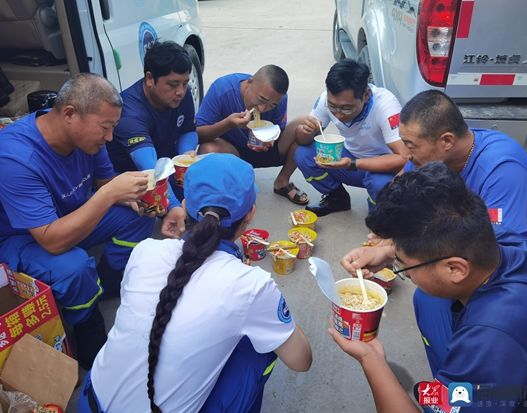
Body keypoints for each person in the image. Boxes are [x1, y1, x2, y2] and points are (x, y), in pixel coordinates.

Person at [79, 153, 312, 413]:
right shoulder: (252, 285)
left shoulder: (145, 250)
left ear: (186, 204)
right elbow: (301, 360)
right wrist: (273, 311)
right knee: (260, 347)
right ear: (251, 214)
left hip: (90, 401)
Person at [334, 162, 527, 412]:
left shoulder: (490, 339)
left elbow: (491, 343)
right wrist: (388, 251)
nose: (402, 271)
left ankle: (451, 391)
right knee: (429, 300)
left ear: (455, 269)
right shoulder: (495, 238)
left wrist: (370, 357)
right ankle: (448, 385)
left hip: (518, 396)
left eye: (403, 268)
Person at [0, 73, 155, 369]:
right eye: (105, 128)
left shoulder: (88, 141)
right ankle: (86, 324)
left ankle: (106, 282)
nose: (109, 138)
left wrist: (146, 198)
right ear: (69, 114)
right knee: (74, 267)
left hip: (70, 217)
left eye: (113, 128)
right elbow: (52, 240)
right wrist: (109, 194)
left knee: (138, 214)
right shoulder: (15, 157)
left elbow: (105, 181)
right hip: (25, 238)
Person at [395, 89, 527, 374]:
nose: (404, 154)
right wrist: (386, 241)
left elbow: (496, 247)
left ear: (446, 141)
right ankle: (450, 383)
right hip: (467, 246)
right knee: (427, 295)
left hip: (515, 263)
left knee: (433, 298)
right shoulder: (439, 155)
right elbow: (403, 186)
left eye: (410, 145)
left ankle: (460, 385)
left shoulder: (502, 168)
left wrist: (406, 254)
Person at [293, 59, 408, 216]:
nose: (338, 114)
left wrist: (353, 163)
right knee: (303, 154)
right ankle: (337, 198)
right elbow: (302, 141)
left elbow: (404, 158)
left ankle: (379, 217)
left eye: (347, 108)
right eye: (333, 106)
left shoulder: (385, 106)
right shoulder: (325, 100)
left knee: (380, 187)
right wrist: (304, 131)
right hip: (350, 161)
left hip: (382, 167)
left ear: (366, 95)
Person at [107, 41, 195, 238]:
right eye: (173, 84)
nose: (181, 91)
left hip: (164, 166)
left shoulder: (182, 94)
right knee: (147, 215)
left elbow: (188, 128)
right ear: (149, 78)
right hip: (133, 177)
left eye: (185, 83)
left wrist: (186, 156)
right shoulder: (130, 113)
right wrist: (172, 205)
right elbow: (148, 166)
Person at [196, 65, 310, 205]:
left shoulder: (280, 99)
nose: (262, 108)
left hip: (265, 149)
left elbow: (277, 128)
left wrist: (270, 139)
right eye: (261, 99)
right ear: (249, 83)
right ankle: (231, 189)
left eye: (272, 105)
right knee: (207, 149)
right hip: (232, 153)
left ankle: (282, 181)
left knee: (306, 125)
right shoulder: (222, 89)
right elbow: (198, 134)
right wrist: (228, 124)